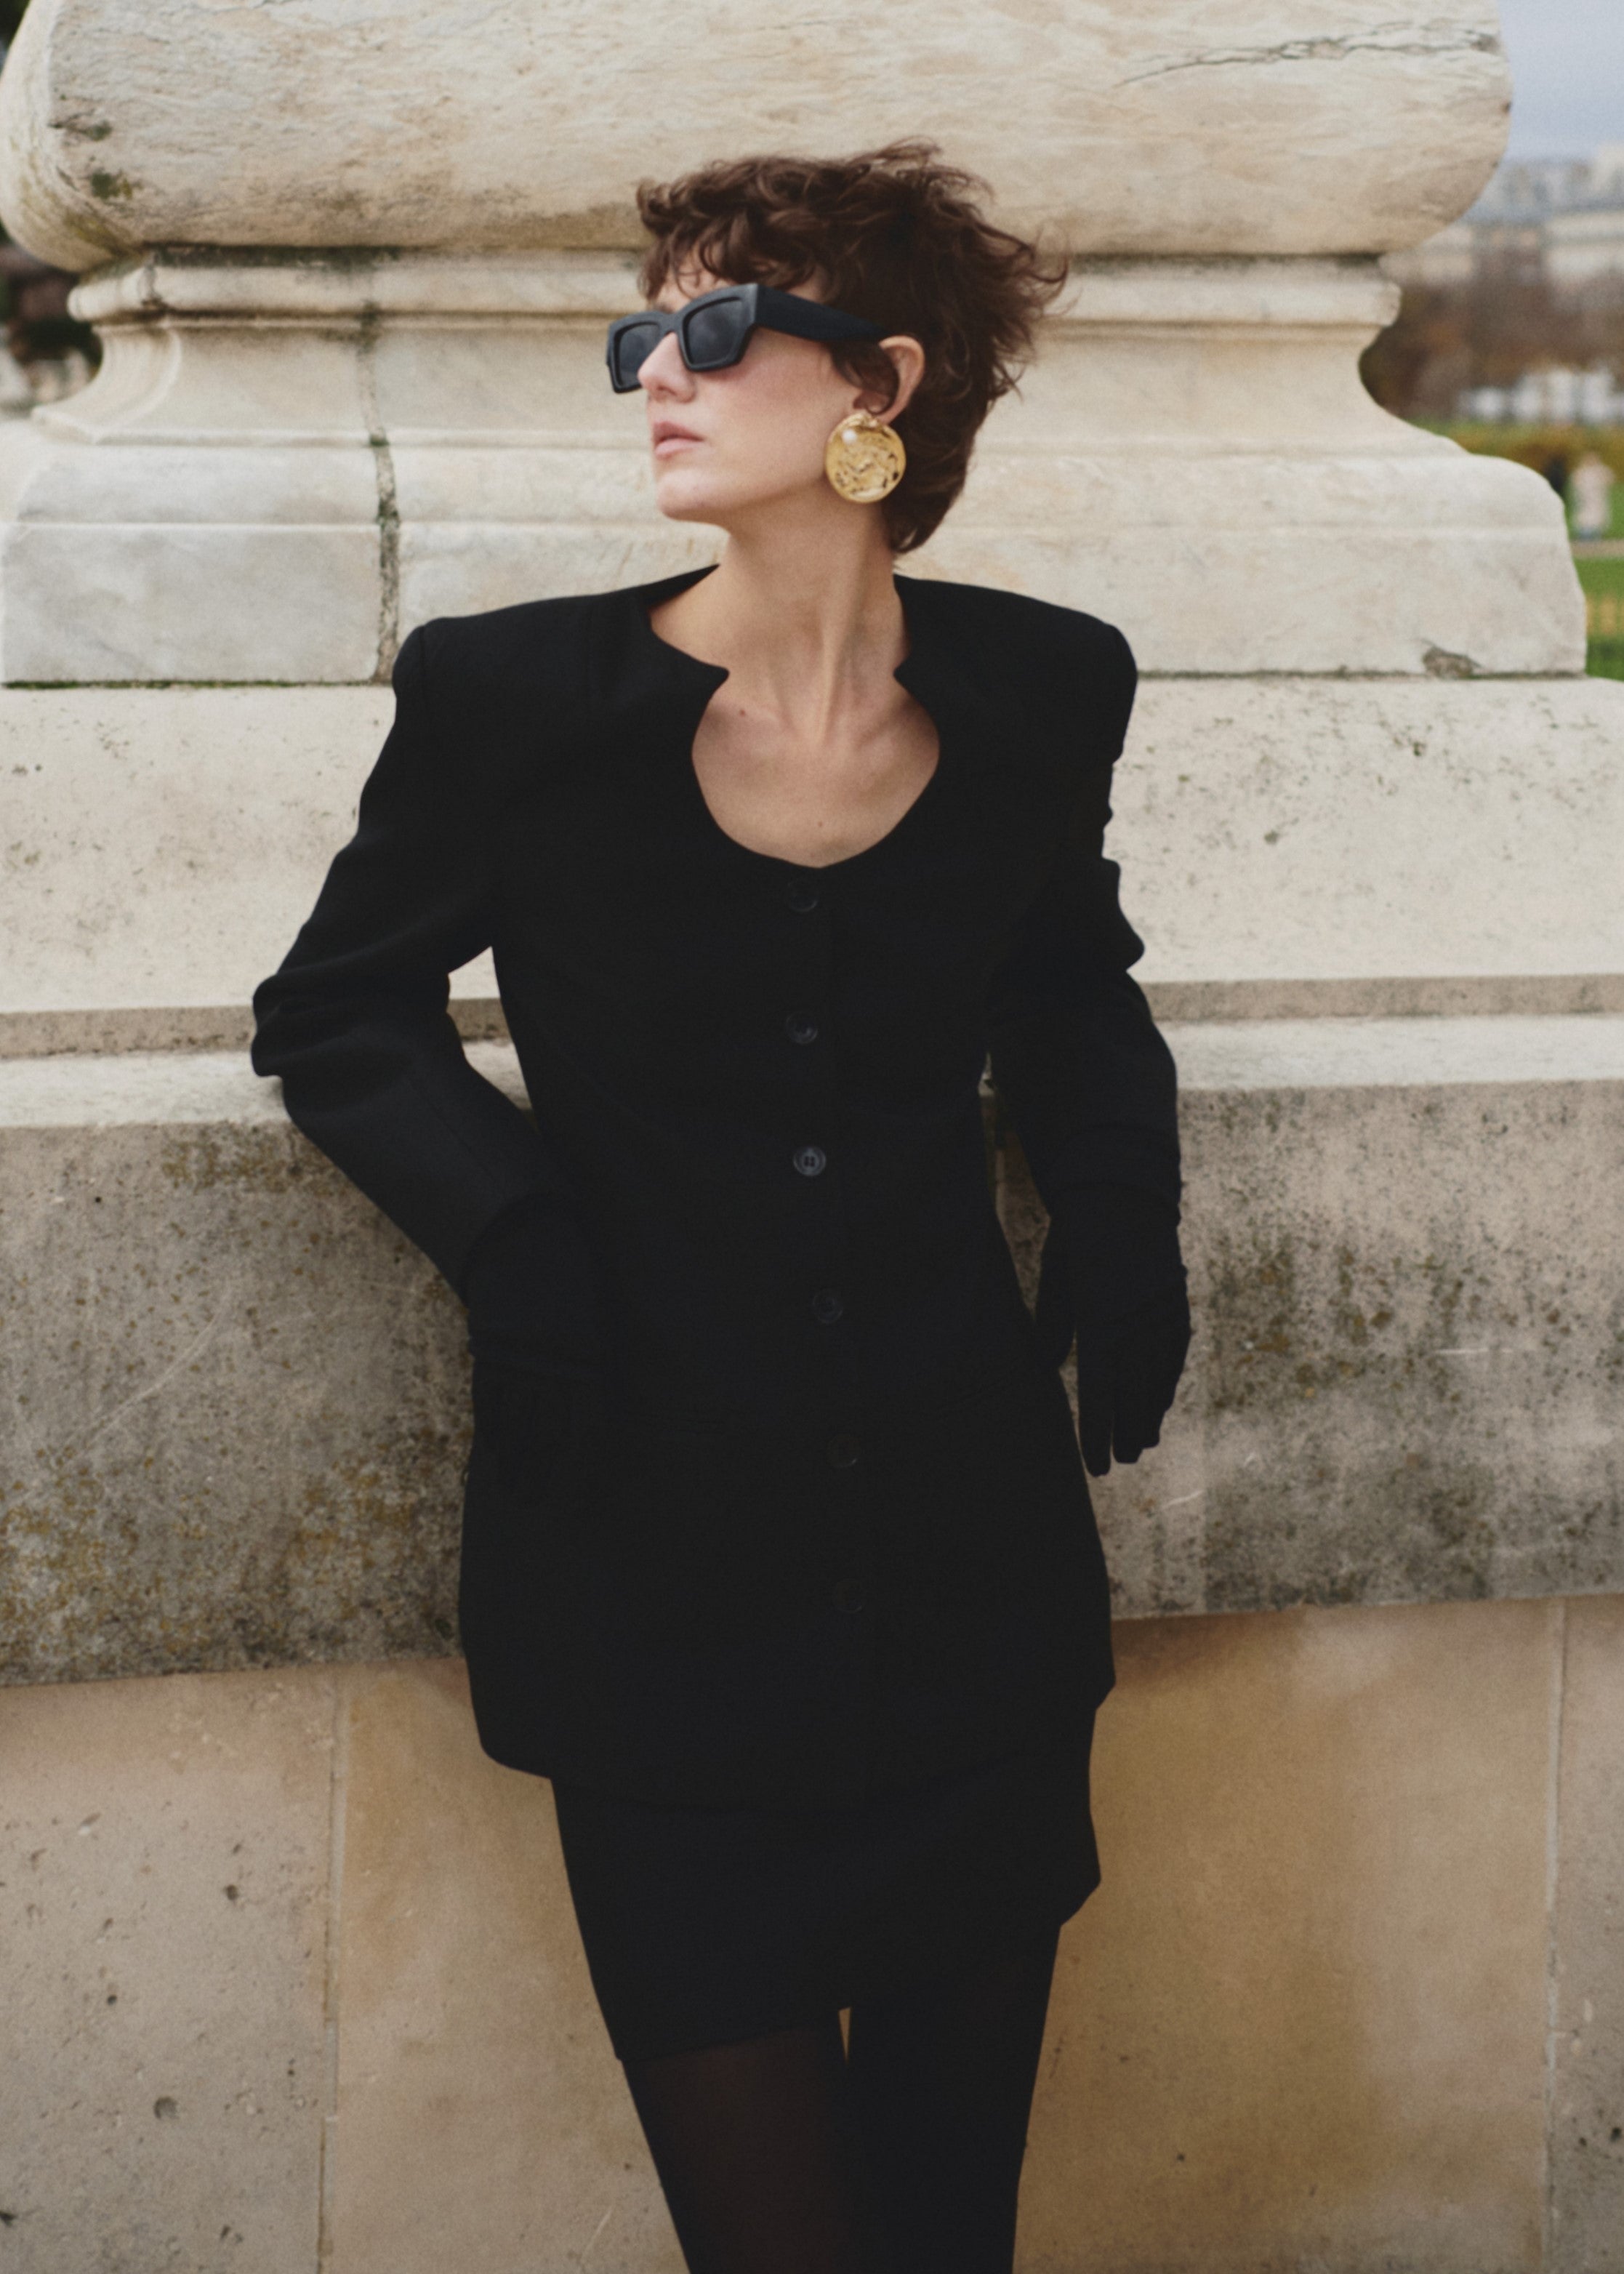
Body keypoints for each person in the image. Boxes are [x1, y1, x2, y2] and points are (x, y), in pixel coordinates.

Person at [251, 142, 1190, 2274]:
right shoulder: (513, 702)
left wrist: (1123, 1217)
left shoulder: (1045, 687)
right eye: (642, 331)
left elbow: (1070, 986)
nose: (652, 372)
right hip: (647, 1583)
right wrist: (519, 1239)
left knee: (950, 2228)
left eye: (716, 324)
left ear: (883, 381)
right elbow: (341, 1009)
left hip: (972, 1591)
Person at [1570, 449, 1615, 542]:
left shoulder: (1600, 471)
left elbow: (1610, 479)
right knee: (1585, 519)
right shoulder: (1581, 472)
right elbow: (1576, 485)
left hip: (1598, 502)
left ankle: (1595, 536)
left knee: (1598, 518)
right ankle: (1585, 536)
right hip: (1586, 502)